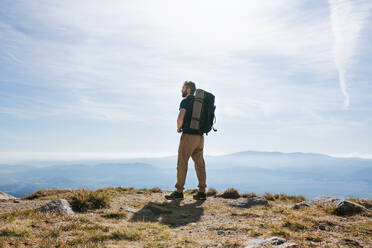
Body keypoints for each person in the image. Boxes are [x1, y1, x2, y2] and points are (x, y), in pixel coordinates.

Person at [165, 81, 207, 200]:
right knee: (200, 164)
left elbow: (180, 118)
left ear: (188, 89)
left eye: (182, 88)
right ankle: (202, 192)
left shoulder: (186, 101)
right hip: (200, 137)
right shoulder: (201, 103)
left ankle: (179, 192)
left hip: (188, 136)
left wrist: (179, 128)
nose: (181, 90)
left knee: (182, 163)